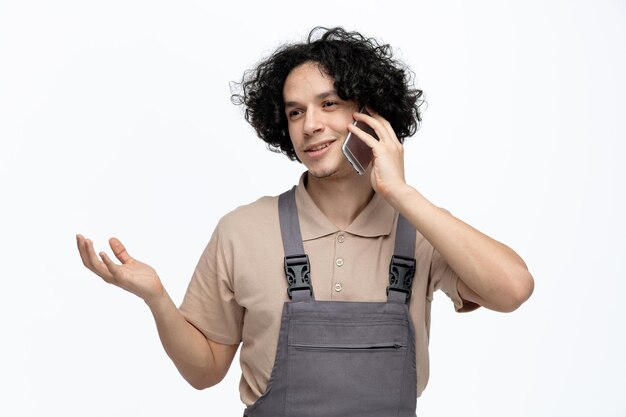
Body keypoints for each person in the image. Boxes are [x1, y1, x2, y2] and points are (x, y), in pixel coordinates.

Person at [76, 27, 534, 416]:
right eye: (295, 111)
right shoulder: (242, 230)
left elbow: (513, 289)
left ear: (369, 113)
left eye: (329, 103)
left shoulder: (420, 230)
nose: (309, 125)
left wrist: (399, 192)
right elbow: (204, 371)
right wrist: (157, 299)